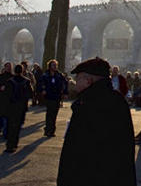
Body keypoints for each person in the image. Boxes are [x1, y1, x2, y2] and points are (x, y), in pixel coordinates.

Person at [57, 57, 135, 186]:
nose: (76, 82)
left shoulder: (87, 104)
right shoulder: (117, 101)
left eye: (78, 78)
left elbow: (77, 149)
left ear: (88, 81)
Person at [5, 64, 32, 153]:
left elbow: (7, 95)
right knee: (18, 126)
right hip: (21, 106)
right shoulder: (26, 81)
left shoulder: (10, 81)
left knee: (10, 125)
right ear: (22, 71)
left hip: (11, 106)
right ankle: (15, 143)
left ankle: (9, 144)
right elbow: (30, 93)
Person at [39, 59, 68, 137]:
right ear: (49, 66)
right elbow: (41, 83)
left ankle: (52, 130)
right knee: (49, 113)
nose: (55, 67)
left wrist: (65, 92)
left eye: (56, 65)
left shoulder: (59, 75)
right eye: (53, 65)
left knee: (54, 113)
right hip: (49, 96)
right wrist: (43, 90)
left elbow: (65, 83)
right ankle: (48, 129)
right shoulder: (45, 75)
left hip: (57, 96)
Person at [0, 62, 13, 138]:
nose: (9, 68)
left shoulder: (12, 77)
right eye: (7, 66)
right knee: (0, 117)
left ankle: (4, 132)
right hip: (1, 99)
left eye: (10, 67)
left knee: (5, 117)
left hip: (7, 99)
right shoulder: (1, 76)